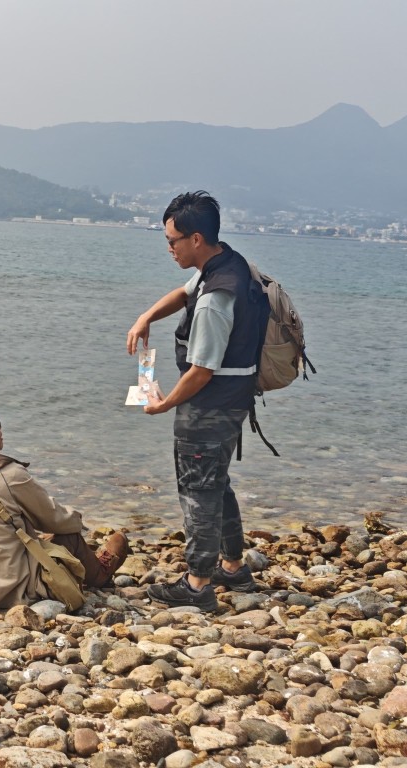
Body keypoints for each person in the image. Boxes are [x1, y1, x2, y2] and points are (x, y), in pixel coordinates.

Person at [126, 191, 267, 611]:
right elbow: (182, 293)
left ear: (197, 239)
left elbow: (201, 370)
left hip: (210, 408)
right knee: (217, 483)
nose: (168, 248)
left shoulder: (214, 302)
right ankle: (233, 567)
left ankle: (197, 584)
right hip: (233, 400)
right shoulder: (227, 264)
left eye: (173, 240)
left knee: (197, 492)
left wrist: (164, 403)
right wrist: (146, 317)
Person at [0, 396, 129, 616]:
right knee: (69, 537)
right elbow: (55, 520)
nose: (0, 429)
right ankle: (100, 573)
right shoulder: (9, 475)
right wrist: (78, 520)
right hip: (8, 585)